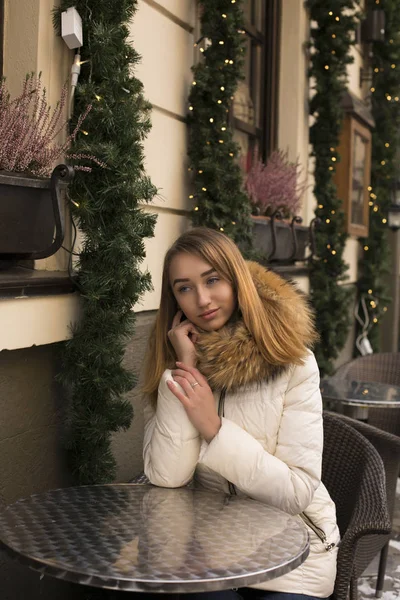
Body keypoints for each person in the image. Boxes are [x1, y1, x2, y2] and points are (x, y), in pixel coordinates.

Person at [142, 227, 340, 600]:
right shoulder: (184, 362)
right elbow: (167, 478)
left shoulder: (293, 362)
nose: (202, 299)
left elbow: (297, 492)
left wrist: (214, 429)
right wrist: (186, 372)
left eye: (212, 280)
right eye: (184, 288)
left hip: (296, 552)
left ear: (236, 280)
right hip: (211, 548)